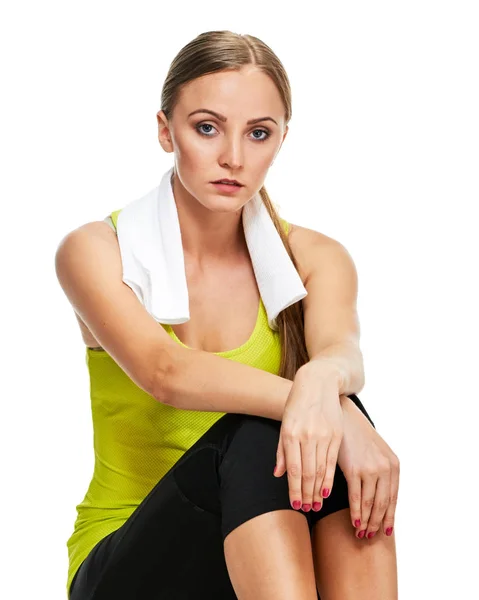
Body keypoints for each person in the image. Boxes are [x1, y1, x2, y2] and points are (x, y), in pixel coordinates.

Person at [55, 30, 399, 600]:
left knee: (322, 408)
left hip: (259, 553)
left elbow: (342, 352)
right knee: (270, 427)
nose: (234, 158)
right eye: (207, 128)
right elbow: (167, 372)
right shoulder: (97, 251)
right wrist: (340, 418)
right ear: (166, 130)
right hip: (125, 569)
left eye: (258, 134)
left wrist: (328, 386)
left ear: (281, 140)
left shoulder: (316, 257)